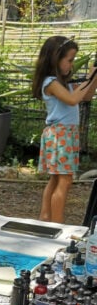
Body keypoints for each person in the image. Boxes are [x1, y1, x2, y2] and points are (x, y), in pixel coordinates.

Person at [32, 35, 97, 223]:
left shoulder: (64, 83)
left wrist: (94, 77)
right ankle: (57, 225)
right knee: (65, 180)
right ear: (55, 59)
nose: (72, 64)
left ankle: (46, 218)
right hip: (60, 135)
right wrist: (89, 77)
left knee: (55, 179)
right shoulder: (51, 83)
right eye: (70, 60)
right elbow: (72, 100)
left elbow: (86, 96)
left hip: (64, 135)